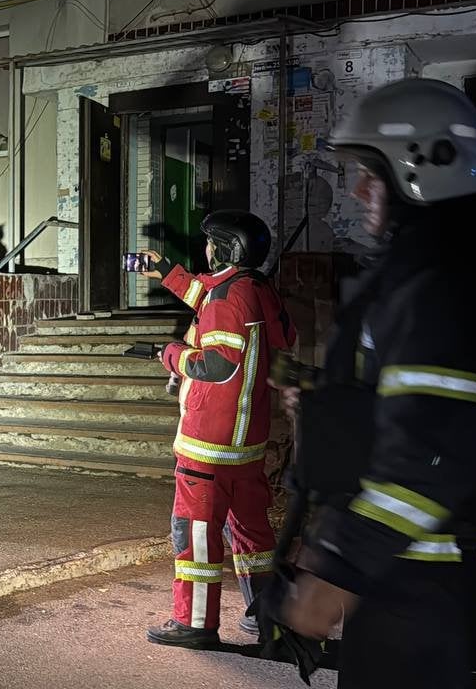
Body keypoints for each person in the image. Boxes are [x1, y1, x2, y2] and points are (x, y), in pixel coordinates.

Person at [277, 78, 476, 687]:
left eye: (371, 173)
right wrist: (329, 404)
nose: (359, 190)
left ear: (424, 168)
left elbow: (429, 452)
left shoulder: (442, 284)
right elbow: (411, 401)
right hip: (413, 564)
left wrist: (340, 566)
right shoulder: (435, 271)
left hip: (418, 574)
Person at [141, 210, 296, 648]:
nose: (206, 249)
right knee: (252, 533)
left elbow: (216, 363)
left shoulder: (227, 298)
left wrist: (172, 354)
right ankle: (268, 616)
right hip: (246, 444)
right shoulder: (257, 288)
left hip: (207, 444)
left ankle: (194, 624)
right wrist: (167, 273)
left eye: (211, 242)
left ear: (226, 247)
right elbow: (212, 297)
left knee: (195, 533)